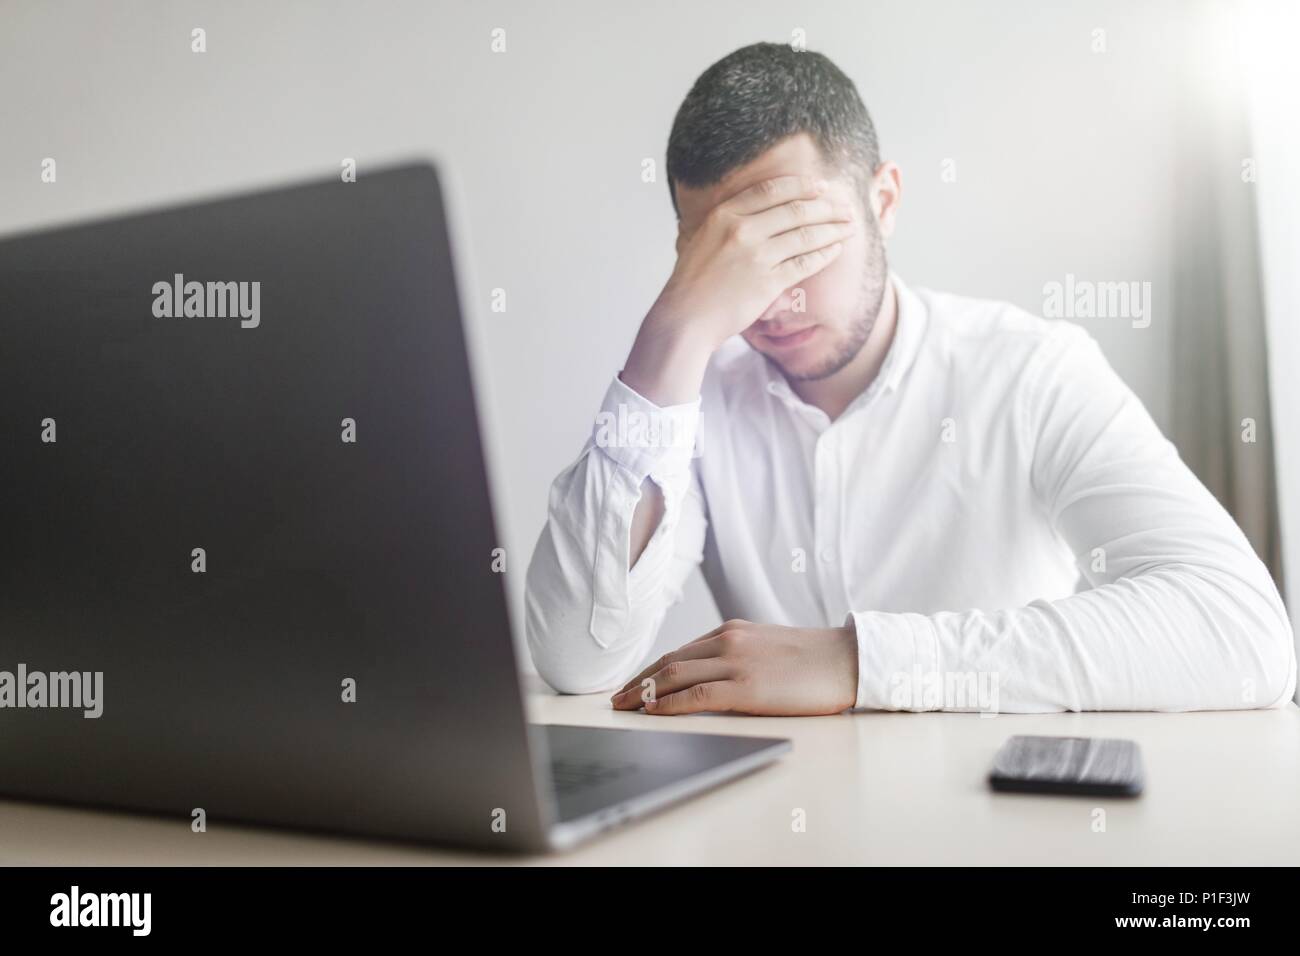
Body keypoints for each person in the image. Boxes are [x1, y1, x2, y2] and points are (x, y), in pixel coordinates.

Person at [523, 41, 1297, 716]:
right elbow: (576, 656)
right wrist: (672, 333)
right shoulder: (693, 400)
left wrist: (860, 661)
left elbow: (1241, 629)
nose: (775, 296)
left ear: (883, 201)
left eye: (797, 241)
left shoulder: (1030, 372)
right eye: (730, 260)